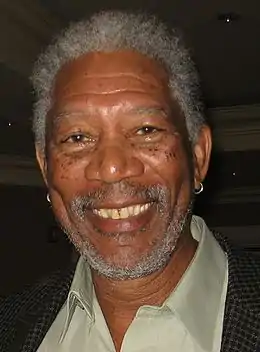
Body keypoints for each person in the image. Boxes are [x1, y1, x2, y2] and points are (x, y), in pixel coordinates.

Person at [1, 10, 260, 352]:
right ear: (45, 166)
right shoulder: (8, 325)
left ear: (198, 155)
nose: (111, 168)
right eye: (77, 138)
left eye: (146, 130)